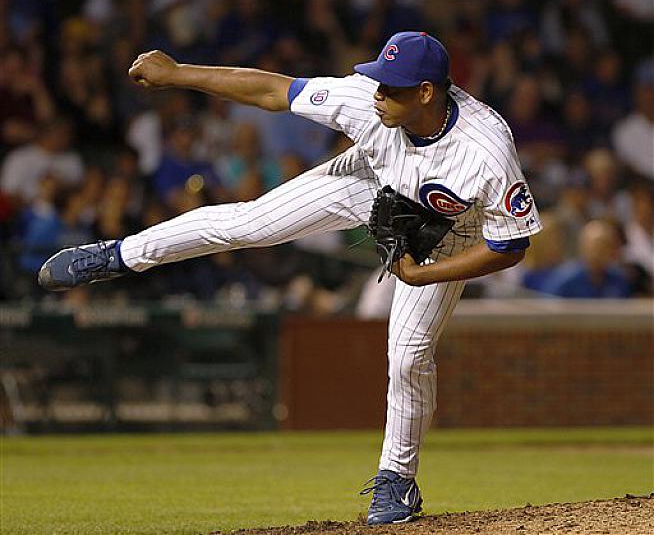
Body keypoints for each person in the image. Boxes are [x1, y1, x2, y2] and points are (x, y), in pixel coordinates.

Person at [37, 32, 542, 525]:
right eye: (379, 80)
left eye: (392, 87)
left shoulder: (485, 148)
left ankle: (397, 480)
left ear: (427, 92)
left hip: (450, 234)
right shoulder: (366, 100)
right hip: (370, 180)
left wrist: (418, 273)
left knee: (409, 356)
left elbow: (509, 246)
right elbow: (272, 90)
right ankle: (119, 255)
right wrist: (178, 73)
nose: (378, 92)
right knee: (251, 222)